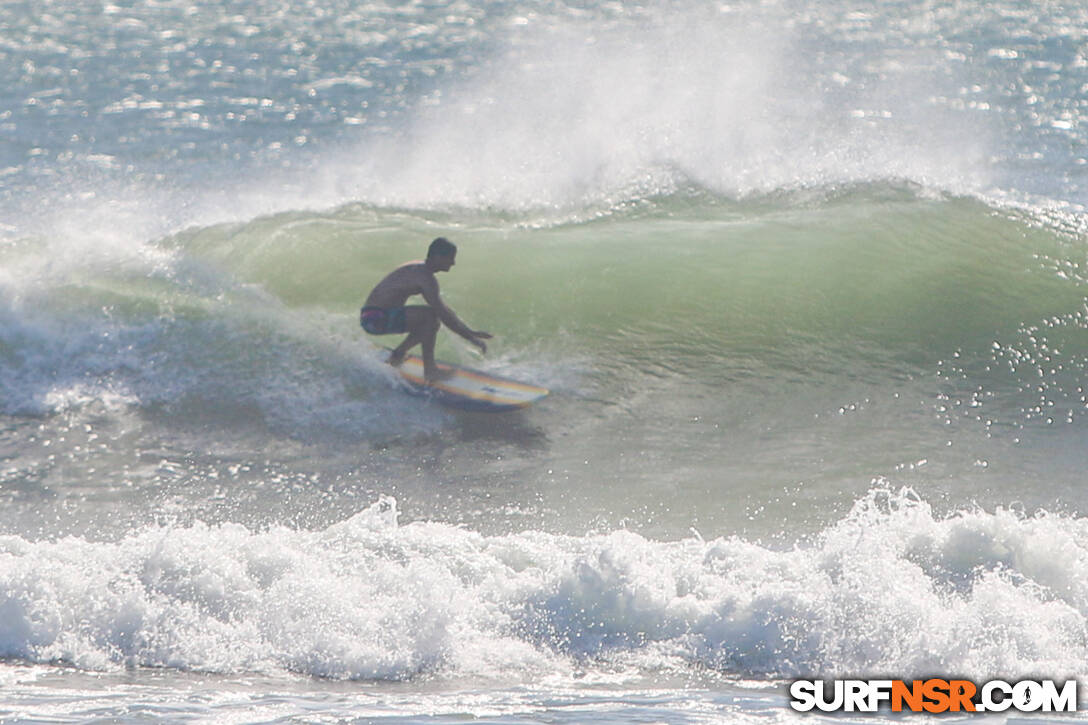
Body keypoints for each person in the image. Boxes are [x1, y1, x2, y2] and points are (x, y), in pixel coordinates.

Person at [360, 237, 492, 381]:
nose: (453, 263)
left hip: (371, 317)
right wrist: (470, 335)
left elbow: (444, 310)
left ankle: (398, 354)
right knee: (430, 317)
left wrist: (469, 334)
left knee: (429, 321)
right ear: (437, 257)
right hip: (376, 319)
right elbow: (442, 313)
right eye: (450, 258)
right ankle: (430, 371)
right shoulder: (425, 278)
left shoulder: (418, 268)